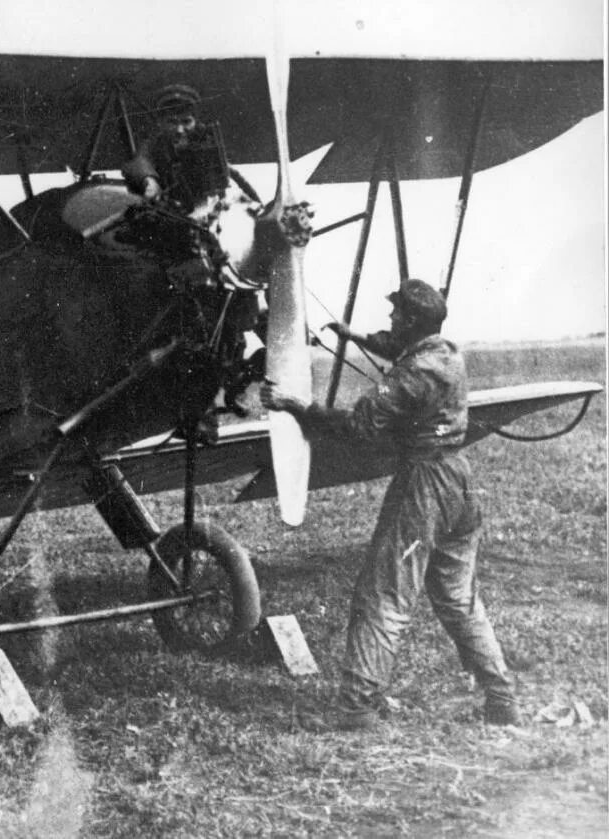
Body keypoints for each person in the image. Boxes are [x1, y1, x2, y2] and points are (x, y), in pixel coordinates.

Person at [261, 279, 521, 730]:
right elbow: (395, 346)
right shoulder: (446, 353)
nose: (390, 320)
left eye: (397, 315)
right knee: (459, 599)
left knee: (383, 593)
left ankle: (356, 708)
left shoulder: (413, 373)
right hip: (460, 481)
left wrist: (295, 405)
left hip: (425, 485)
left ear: (413, 322)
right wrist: (351, 335)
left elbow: (359, 427)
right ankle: (502, 701)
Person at [122, 84, 231, 215]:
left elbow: (228, 175)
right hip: (170, 212)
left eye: (186, 122)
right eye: (172, 122)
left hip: (207, 210)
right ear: (161, 123)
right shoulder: (156, 142)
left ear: (196, 122)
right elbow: (140, 161)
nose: (179, 130)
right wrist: (149, 180)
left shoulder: (207, 140)